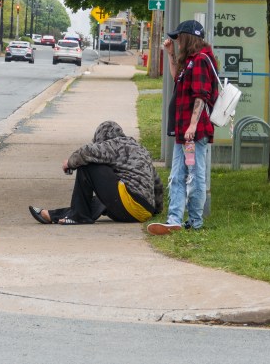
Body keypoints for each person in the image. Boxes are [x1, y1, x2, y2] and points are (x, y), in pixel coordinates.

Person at [147, 20, 218, 236]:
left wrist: (193, 125)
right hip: (183, 131)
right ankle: (174, 219)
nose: (176, 42)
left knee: (195, 176)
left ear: (188, 38)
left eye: (178, 39)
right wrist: (169, 55)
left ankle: (195, 221)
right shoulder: (189, 61)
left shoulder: (201, 61)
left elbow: (201, 95)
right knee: (177, 175)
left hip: (194, 132)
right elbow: (177, 79)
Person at [29, 121, 163, 225]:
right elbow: (157, 184)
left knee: (87, 164)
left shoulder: (114, 144)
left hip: (129, 205)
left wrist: (69, 163)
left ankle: (79, 217)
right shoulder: (140, 148)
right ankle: (53, 215)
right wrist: (157, 211)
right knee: (92, 202)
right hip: (145, 211)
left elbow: (87, 152)